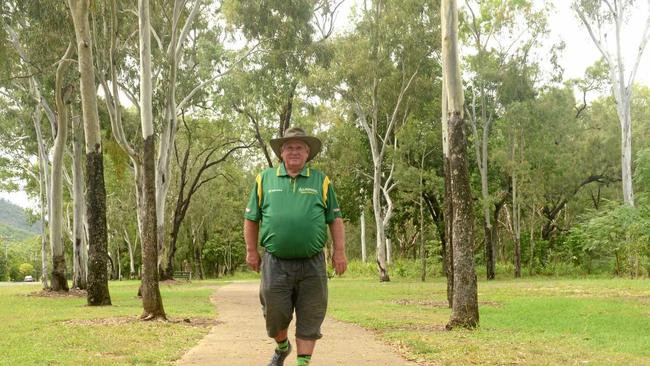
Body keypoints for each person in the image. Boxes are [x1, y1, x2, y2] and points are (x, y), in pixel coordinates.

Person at [244, 127, 347, 366]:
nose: (294, 151)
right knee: (273, 313)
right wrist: (251, 251)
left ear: (307, 152)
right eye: (289, 147)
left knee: (311, 315)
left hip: (312, 263)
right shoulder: (264, 179)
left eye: (299, 147)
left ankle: (302, 363)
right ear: (281, 152)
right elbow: (251, 218)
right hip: (275, 263)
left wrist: (339, 252)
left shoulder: (321, 180)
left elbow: (335, 219)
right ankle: (282, 347)